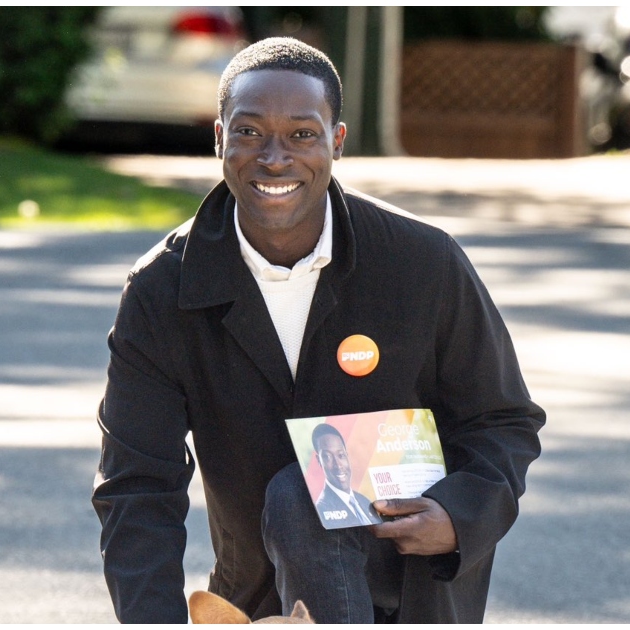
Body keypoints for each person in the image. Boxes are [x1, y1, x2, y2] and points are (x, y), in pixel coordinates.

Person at [92, 37, 545, 623]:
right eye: (249, 131)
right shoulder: (164, 289)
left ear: (336, 141)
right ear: (218, 138)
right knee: (297, 497)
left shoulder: (422, 262)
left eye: (302, 134)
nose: (274, 157)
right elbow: (137, 485)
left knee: (302, 493)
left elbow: (502, 418)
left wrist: (461, 514)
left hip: (412, 584)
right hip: (261, 592)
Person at [310, 423, 381, 527]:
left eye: (341, 455)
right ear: (319, 460)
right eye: (328, 457)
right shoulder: (322, 509)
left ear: (347, 456)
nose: (338, 465)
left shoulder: (364, 501)